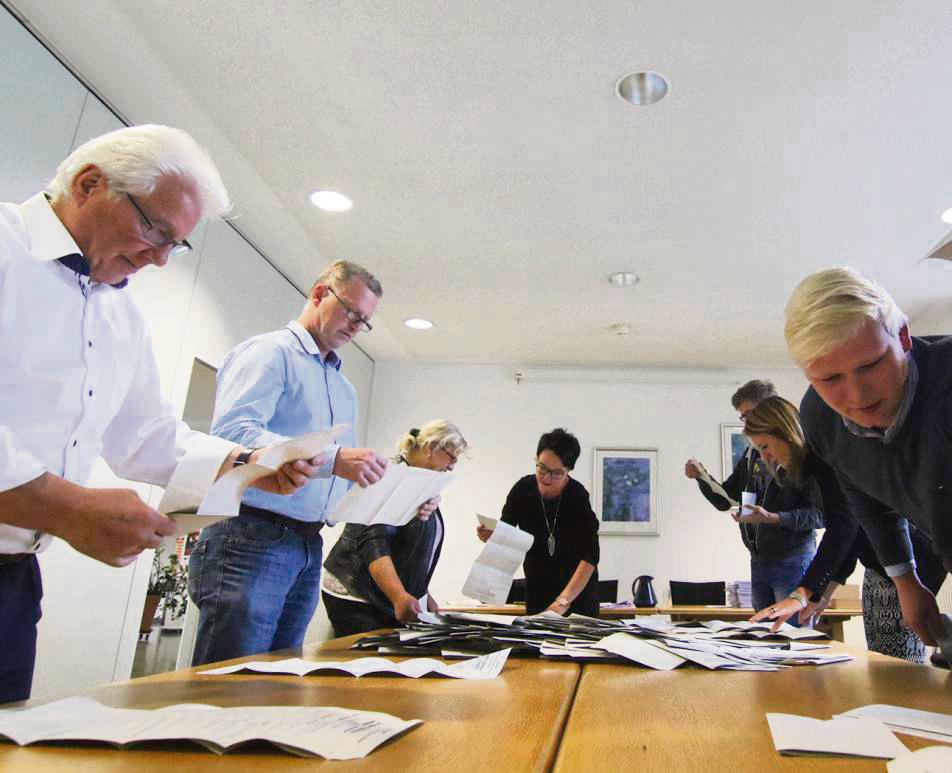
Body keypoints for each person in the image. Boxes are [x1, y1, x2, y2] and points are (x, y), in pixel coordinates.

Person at [0, 125, 324, 704]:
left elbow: (144, 435)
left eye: (178, 244)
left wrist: (244, 463)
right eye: (155, 230)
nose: (160, 258)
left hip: (13, 579)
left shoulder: (119, 313)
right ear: (89, 183)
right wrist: (67, 507)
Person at [188, 260, 437, 665]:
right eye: (351, 312)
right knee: (231, 683)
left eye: (365, 321)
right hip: (250, 535)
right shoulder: (271, 353)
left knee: (277, 683)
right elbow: (232, 435)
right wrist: (334, 458)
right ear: (320, 294)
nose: (357, 326)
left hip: (307, 544)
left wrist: (408, 504)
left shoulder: (342, 389)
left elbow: (341, 483)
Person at [785, 267, 952, 648]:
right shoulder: (819, 417)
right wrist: (905, 581)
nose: (857, 397)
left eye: (870, 365)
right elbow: (862, 492)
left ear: (904, 336)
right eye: (830, 379)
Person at [744, 397, 946, 662]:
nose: (765, 456)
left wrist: (802, 593)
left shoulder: (824, 459)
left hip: (907, 563)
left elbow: (844, 527)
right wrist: (824, 593)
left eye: (765, 446)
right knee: (883, 659)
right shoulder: (812, 467)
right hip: (878, 565)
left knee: (898, 663)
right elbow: (853, 530)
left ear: (785, 431)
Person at [684, 380, 824, 618]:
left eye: (750, 414)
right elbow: (725, 499)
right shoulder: (751, 454)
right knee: (762, 634)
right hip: (759, 560)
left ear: (771, 409)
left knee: (792, 637)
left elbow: (821, 515)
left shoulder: (804, 453)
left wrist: (776, 518)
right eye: (743, 417)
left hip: (793, 559)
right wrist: (702, 478)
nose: (747, 422)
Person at [321, 420, 468, 636]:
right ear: (432, 448)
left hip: (380, 593)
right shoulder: (388, 477)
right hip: (358, 595)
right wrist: (399, 596)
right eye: (452, 456)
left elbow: (409, 550)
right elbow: (373, 543)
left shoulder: (419, 483)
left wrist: (423, 595)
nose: (453, 465)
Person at [478, 428, 600, 616]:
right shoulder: (522, 490)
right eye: (542, 468)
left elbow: (590, 555)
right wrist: (492, 536)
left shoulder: (577, 496)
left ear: (568, 470)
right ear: (536, 459)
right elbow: (507, 534)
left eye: (556, 473)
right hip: (538, 590)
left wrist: (564, 600)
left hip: (576, 595)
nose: (546, 478)